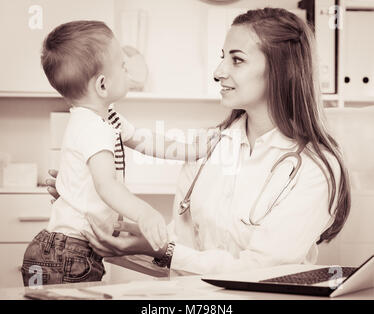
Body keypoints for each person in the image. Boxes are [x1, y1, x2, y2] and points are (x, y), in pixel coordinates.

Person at [47, 8, 351, 276]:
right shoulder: (207, 147)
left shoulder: (316, 167)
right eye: (223, 58)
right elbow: (178, 252)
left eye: (237, 60)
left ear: (282, 71)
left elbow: (263, 270)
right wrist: (86, 203)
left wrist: (163, 250)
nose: (219, 72)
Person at [21, 20, 210, 286]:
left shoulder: (107, 118)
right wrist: (145, 213)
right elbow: (106, 185)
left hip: (64, 250)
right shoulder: (92, 127)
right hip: (70, 252)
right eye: (122, 65)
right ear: (102, 85)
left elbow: (144, 140)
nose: (127, 69)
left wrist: (191, 151)